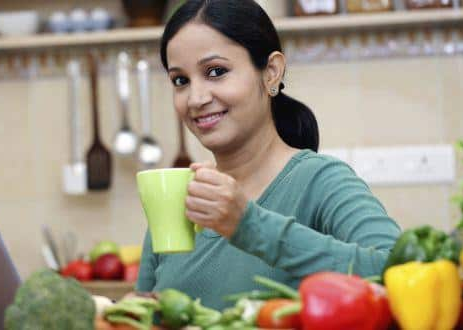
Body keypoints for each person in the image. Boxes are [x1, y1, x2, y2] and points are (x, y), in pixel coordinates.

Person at [137, 0, 401, 310]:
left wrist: (247, 225)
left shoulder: (320, 181)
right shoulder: (179, 199)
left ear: (272, 72)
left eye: (216, 72)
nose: (195, 98)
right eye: (180, 80)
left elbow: (398, 274)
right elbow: (142, 313)